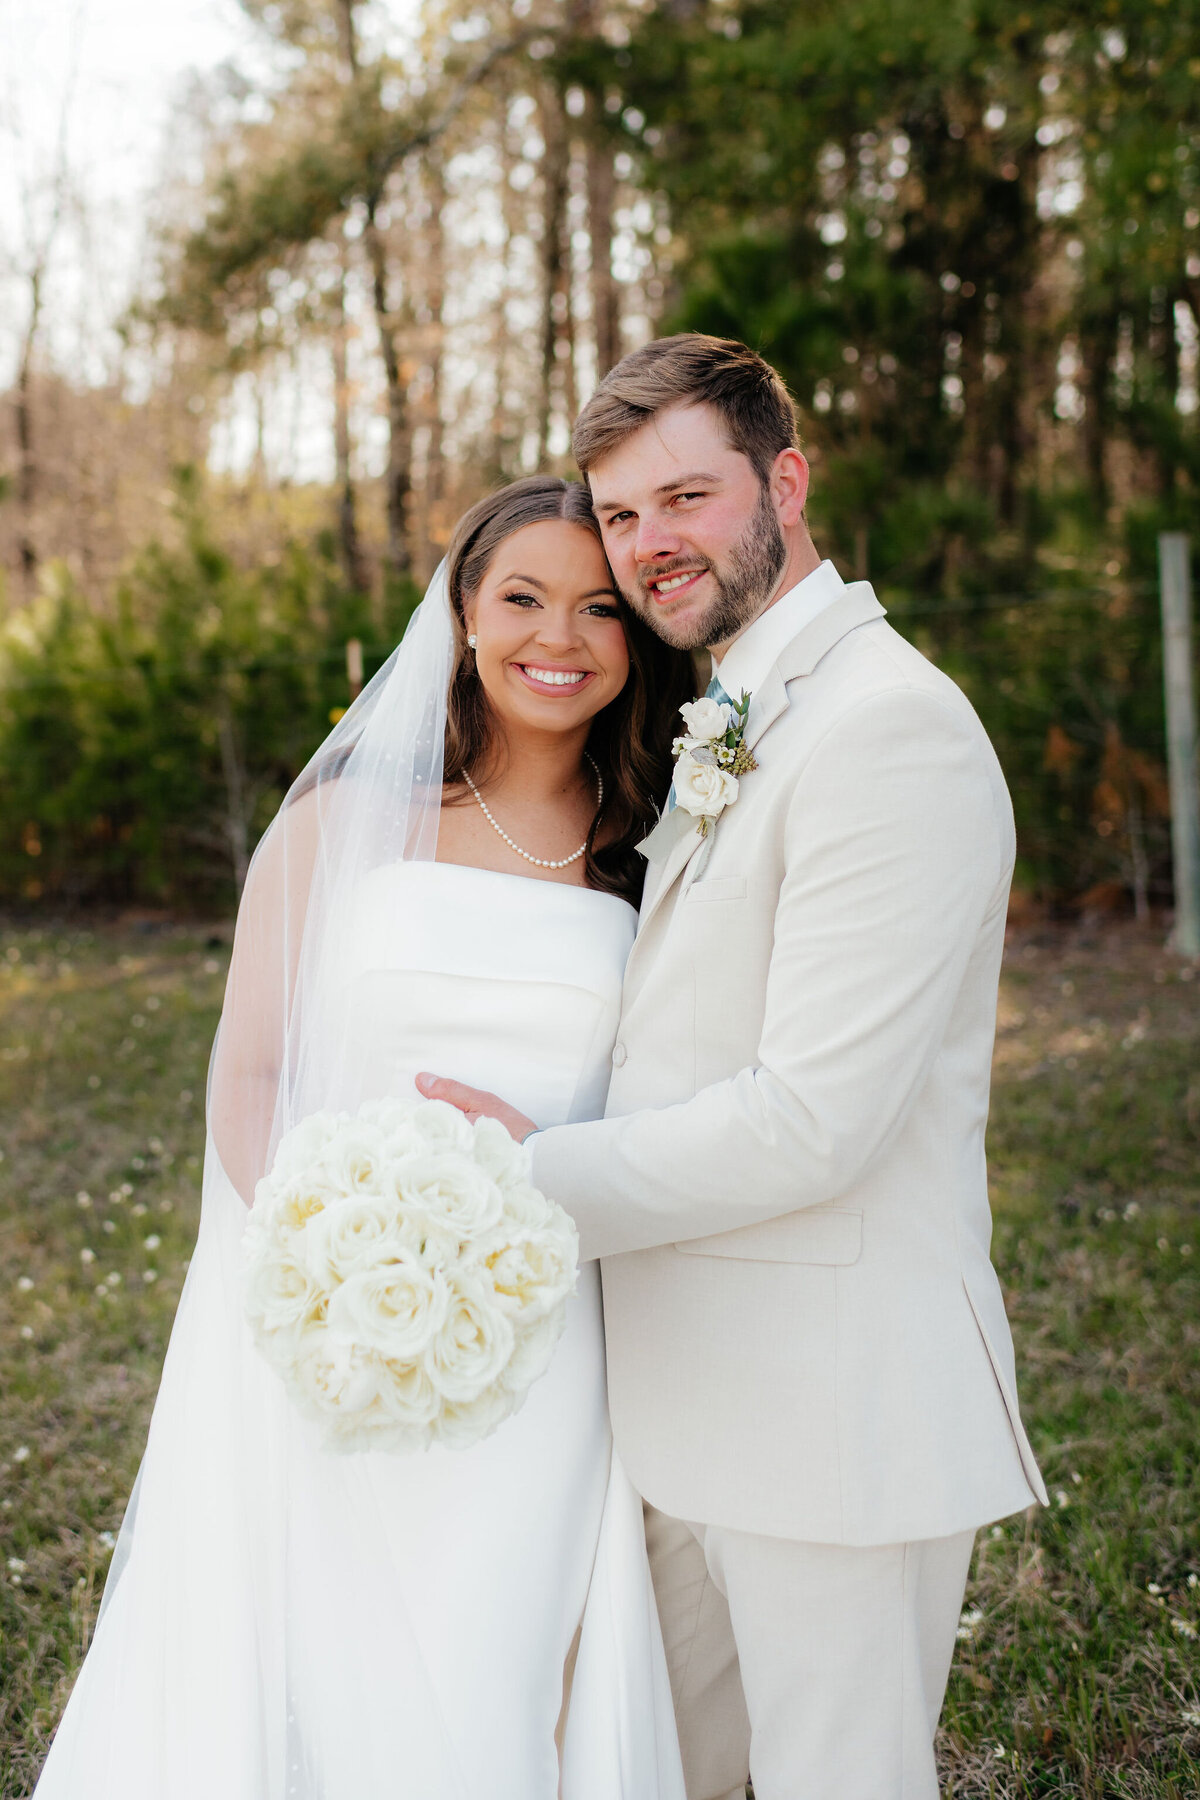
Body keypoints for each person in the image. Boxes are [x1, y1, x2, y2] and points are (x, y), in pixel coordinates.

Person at [419, 336, 1049, 1800]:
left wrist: (521, 1178)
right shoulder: (748, 708)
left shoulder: (890, 727)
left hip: (835, 1414)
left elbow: (813, 1121)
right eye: (623, 514)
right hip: (688, 1405)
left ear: (786, 479)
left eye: (685, 499)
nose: (650, 545)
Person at [33, 476, 695, 1800]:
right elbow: (254, 1066)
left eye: (600, 609)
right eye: (520, 598)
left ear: (639, 642)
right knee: (316, 1658)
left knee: (489, 1659)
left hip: (545, 1328)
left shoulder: (658, 851)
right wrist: (323, 1257)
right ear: (460, 610)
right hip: (322, 1310)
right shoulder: (340, 820)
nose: (555, 637)